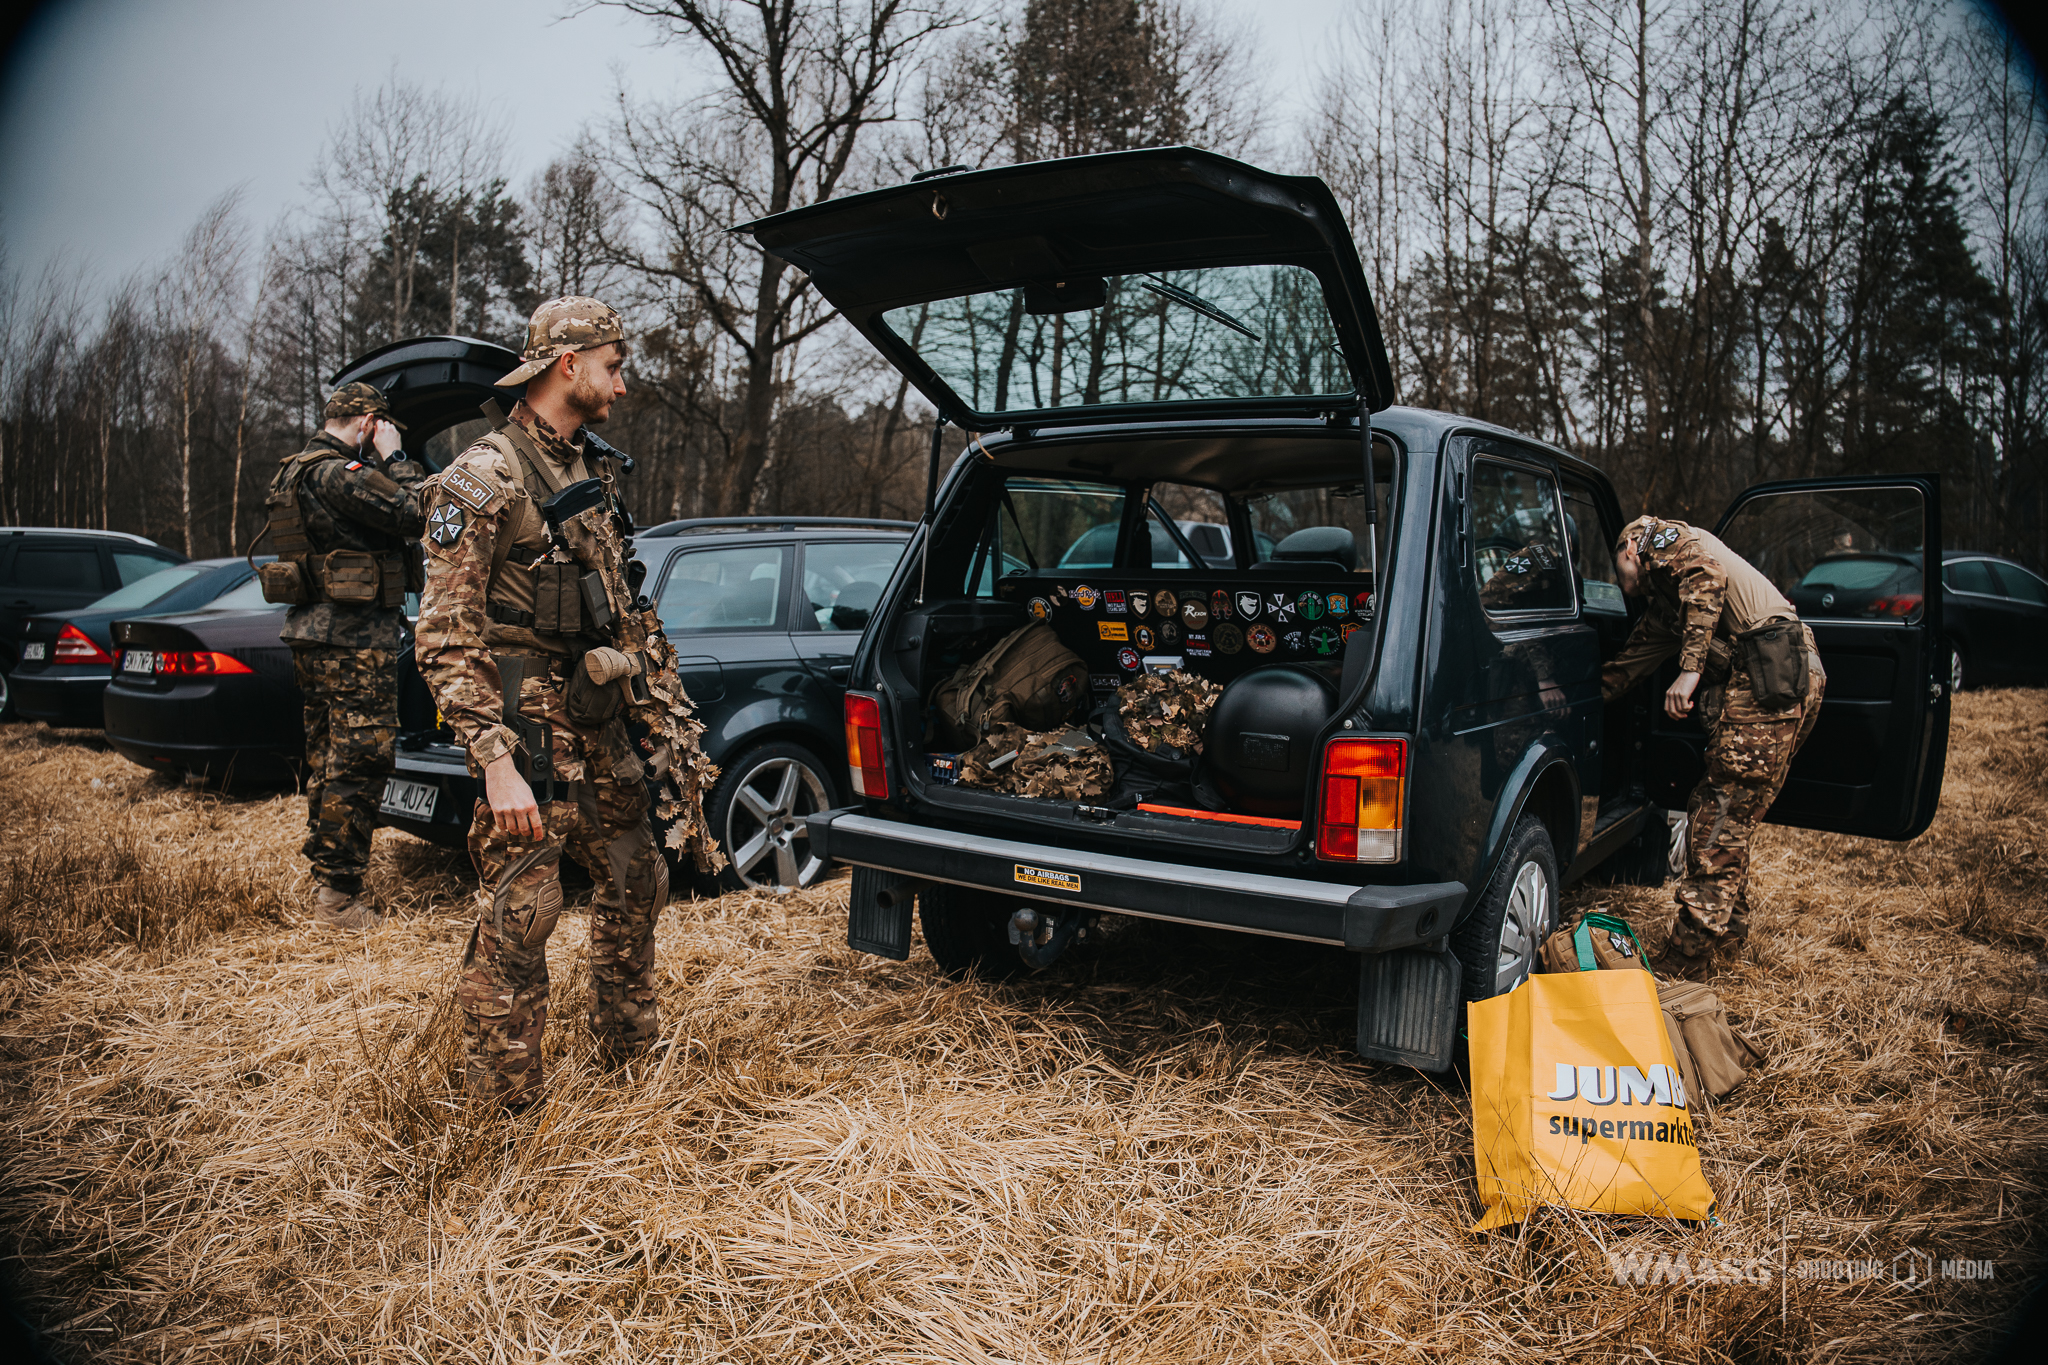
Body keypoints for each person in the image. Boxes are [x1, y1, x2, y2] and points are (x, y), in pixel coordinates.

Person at [414, 296, 721, 1111]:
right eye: (614, 366)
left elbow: (620, 603)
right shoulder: (484, 476)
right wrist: (495, 763)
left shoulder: (593, 467)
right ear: (568, 364)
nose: (622, 386)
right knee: (523, 914)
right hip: (528, 738)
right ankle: (506, 1112)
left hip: (598, 722)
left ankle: (629, 1062)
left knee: (639, 879)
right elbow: (445, 637)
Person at [1602, 516, 1827, 977]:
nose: (1621, 583)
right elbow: (1627, 666)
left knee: (1717, 818)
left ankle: (1686, 959)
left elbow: (1708, 577)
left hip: (1770, 673)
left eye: (1617, 569)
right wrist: (1570, 695)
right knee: (1731, 813)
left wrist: (1689, 672)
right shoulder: (1669, 605)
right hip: (1784, 674)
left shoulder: (1663, 543)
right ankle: (1727, 934)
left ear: (1629, 551)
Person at [267, 381, 426, 929]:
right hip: (353, 637)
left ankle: (328, 883)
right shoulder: (340, 472)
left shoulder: (295, 468)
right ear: (366, 423)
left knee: (327, 758)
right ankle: (337, 898)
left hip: (314, 632)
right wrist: (397, 456)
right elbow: (414, 512)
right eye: (379, 426)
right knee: (362, 759)